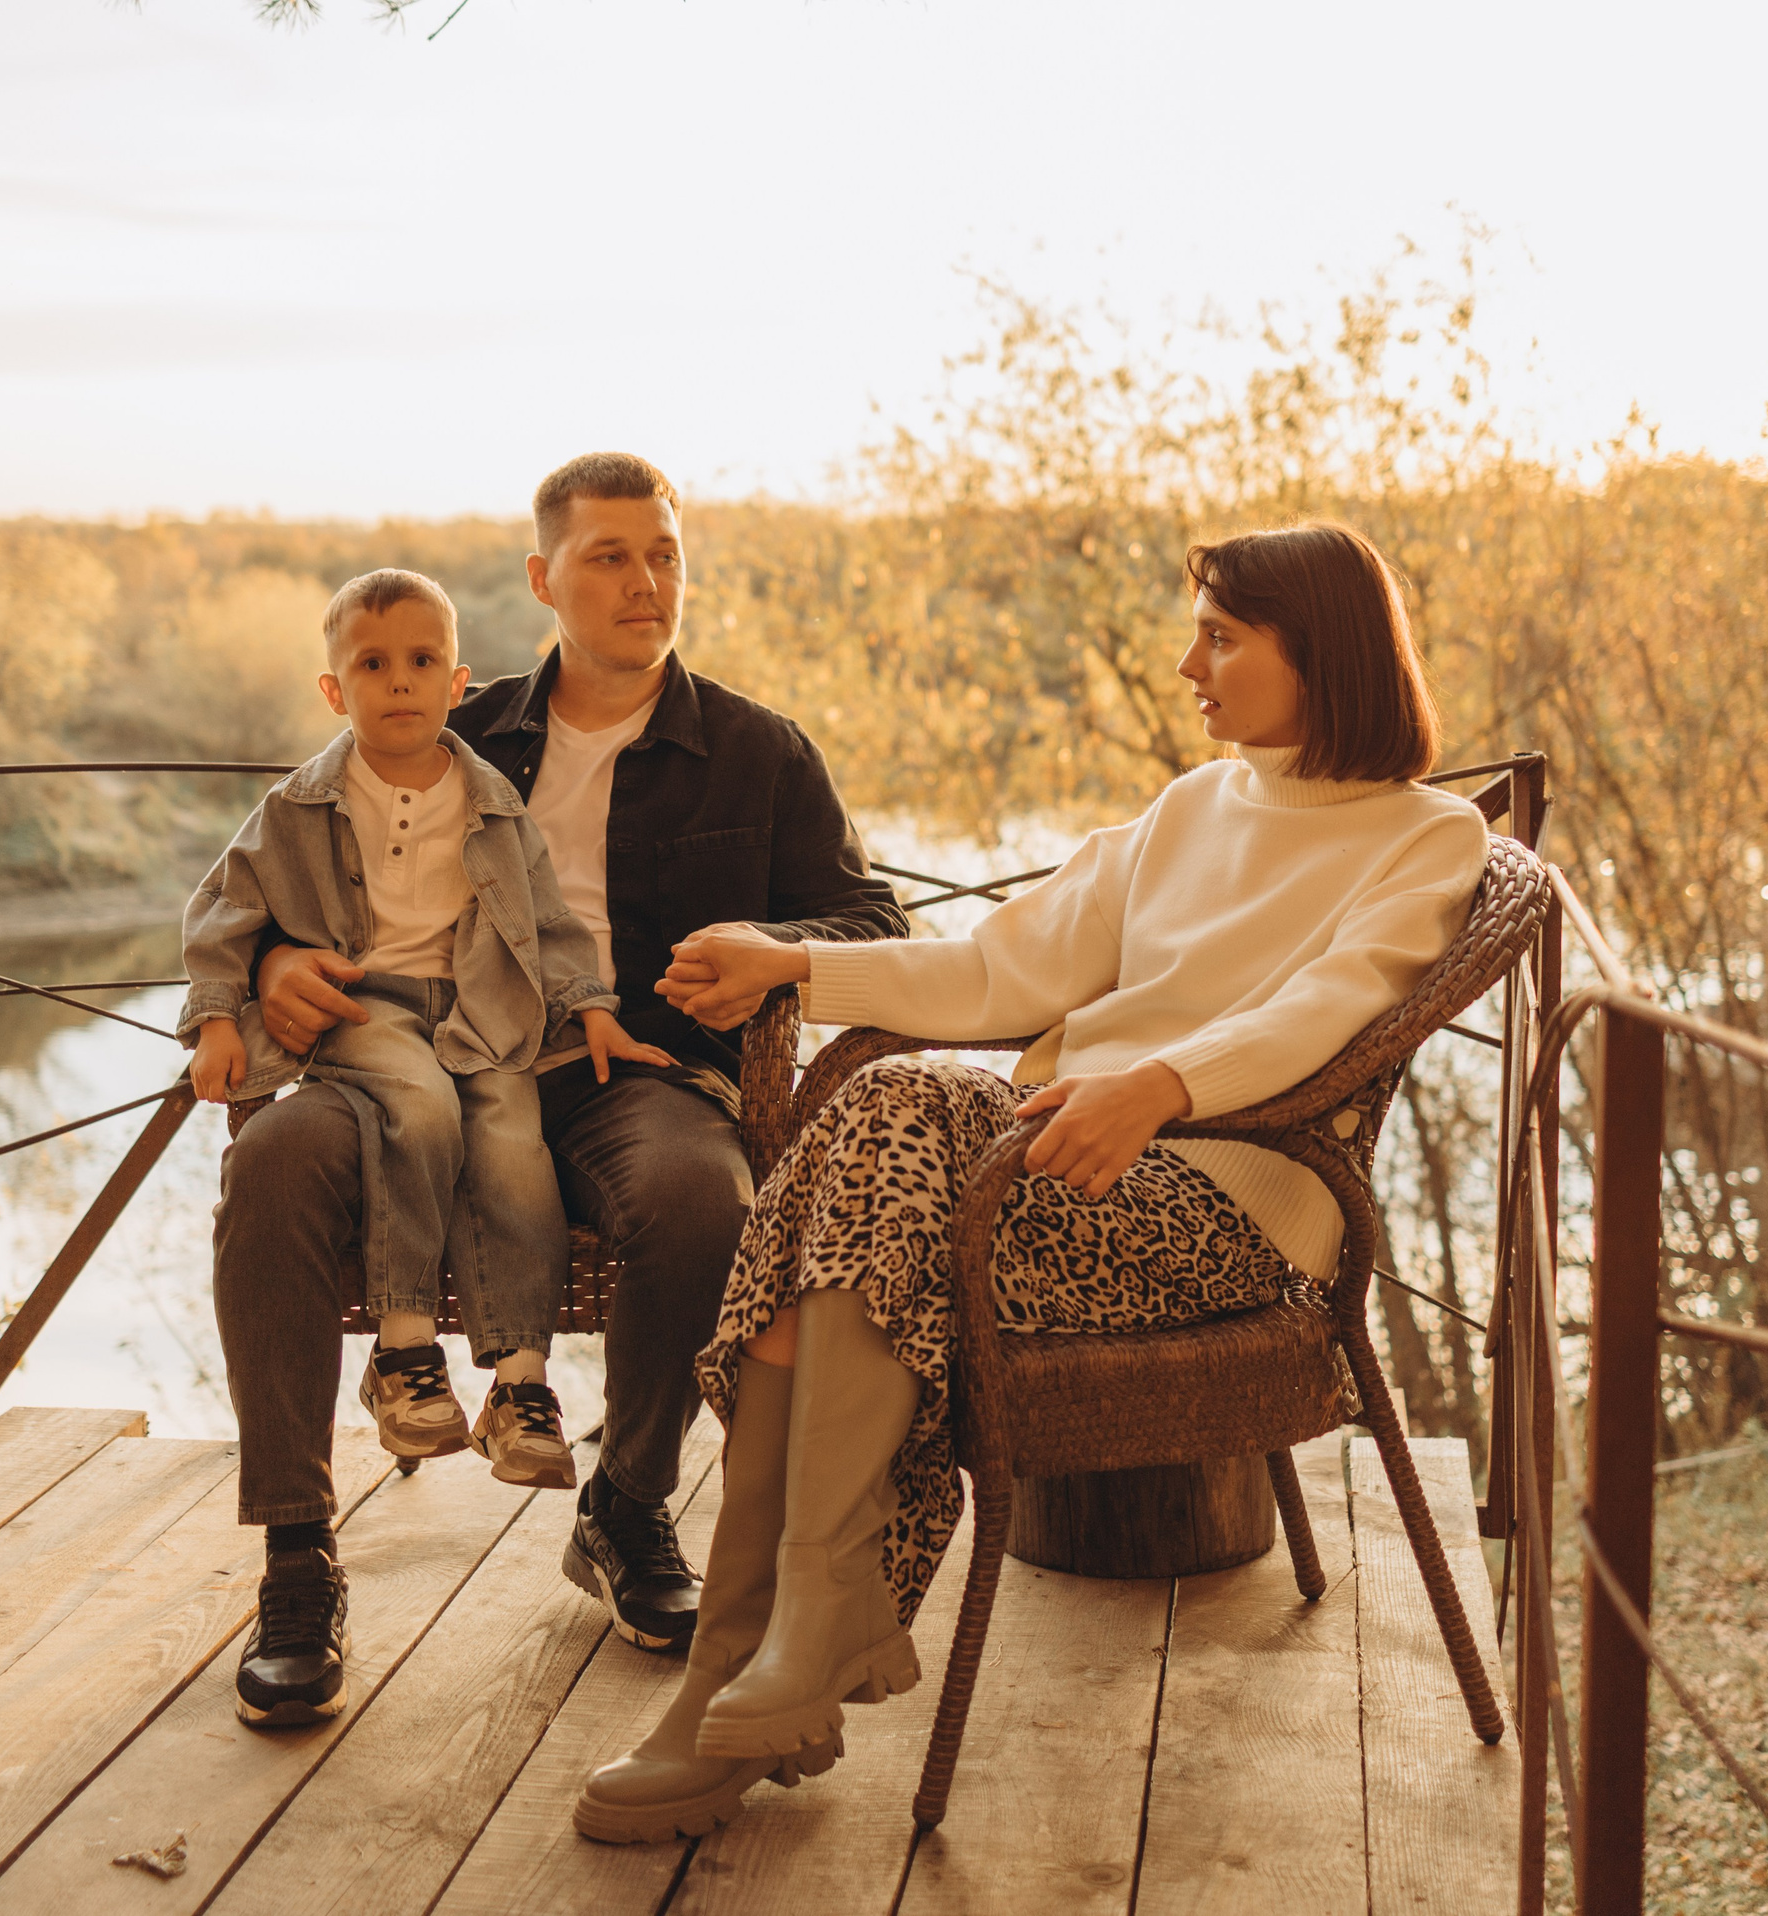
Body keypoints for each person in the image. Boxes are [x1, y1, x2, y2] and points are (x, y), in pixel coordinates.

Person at [571, 520, 1491, 1842]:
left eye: (1221, 638)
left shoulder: (1423, 837)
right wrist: (794, 963)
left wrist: (1162, 1085)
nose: (1189, 665)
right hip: (1053, 1172)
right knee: (861, 1156)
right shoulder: (1190, 807)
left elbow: (1334, 1009)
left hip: (1226, 1210)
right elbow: (1006, 970)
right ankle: (755, 1665)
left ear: (1322, 651)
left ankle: (780, 1647)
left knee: (883, 1121)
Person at [223, 456, 909, 1726]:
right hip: (419, 1049)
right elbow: (286, 855)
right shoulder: (452, 720)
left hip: (627, 1066)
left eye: (664, 553)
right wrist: (271, 963)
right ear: (544, 579)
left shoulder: (756, 752)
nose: (647, 581)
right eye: (610, 556)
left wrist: (772, 950)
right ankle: (296, 1555)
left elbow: (876, 917)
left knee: (705, 1192)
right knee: (271, 1161)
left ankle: (628, 1505)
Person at [182, 566, 673, 1725]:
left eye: (419, 665)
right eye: (371, 665)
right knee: (299, 1153)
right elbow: (224, 906)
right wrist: (228, 1004)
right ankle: (308, 1538)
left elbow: (549, 922)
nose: (397, 684)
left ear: (457, 679)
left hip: (493, 1022)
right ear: (332, 684)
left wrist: (593, 1002)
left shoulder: (495, 792)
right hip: (362, 1013)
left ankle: (521, 1385)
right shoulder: (302, 801)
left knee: (504, 1142)